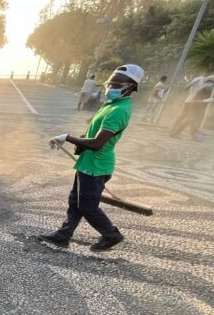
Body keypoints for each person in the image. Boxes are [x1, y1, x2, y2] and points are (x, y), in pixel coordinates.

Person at [40, 64, 144, 252]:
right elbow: (92, 132)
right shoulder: (112, 105)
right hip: (89, 163)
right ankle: (64, 234)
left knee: (88, 207)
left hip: (96, 166)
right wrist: (78, 144)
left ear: (131, 86)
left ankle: (111, 234)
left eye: (117, 84)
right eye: (110, 83)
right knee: (76, 202)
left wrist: (67, 137)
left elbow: (97, 143)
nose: (112, 88)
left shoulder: (119, 110)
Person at [171, 75, 214, 140]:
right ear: (206, 82)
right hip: (194, 107)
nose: (211, 84)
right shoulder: (202, 90)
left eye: (212, 82)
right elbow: (195, 101)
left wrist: (208, 102)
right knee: (189, 120)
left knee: (194, 122)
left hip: (199, 109)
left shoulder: (209, 91)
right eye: (210, 81)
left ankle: (193, 136)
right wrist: (205, 100)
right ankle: (174, 133)